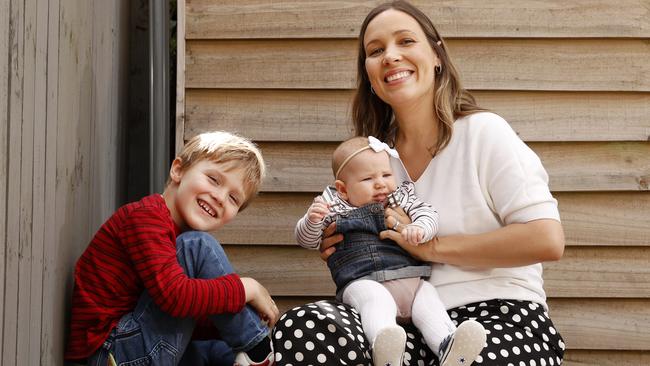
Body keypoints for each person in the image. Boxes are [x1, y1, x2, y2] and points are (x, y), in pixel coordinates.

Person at [272, 1, 566, 365]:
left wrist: (432, 248)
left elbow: (546, 239)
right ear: (369, 75)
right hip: (401, 325)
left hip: (500, 317)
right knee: (306, 326)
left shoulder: (483, 133)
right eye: (376, 50)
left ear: (436, 55)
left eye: (405, 41)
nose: (390, 56)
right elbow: (339, 224)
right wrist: (338, 237)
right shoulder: (374, 159)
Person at [65, 131, 280, 366]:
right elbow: (175, 297)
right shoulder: (146, 217)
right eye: (214, 179)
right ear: (178, 170)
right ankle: (258, 349)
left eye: (233, 199)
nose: (220, 197)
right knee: (198, 245)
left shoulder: (175, 237)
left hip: (127, 349)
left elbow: (183, 315)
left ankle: (256, 352)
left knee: (218, 349)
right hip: (107, 353)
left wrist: (237, 312)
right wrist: (246, 288)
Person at [294, 135, 486, 365]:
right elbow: (307, 239)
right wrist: (312, 221)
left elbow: (428, 213)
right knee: (377, 301)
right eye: (368, 178)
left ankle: (448, 345)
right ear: (343, 189)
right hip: (364, 281)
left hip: (410, 282)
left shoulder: (400, 198)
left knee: (429, 301)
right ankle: (384, 347)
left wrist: (419, 228)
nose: (380, 183)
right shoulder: (332, 205)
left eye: (386, 175)